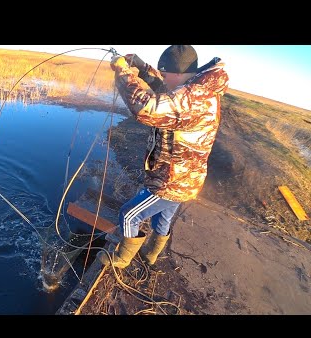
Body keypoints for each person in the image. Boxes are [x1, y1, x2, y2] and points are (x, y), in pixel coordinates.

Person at [97, 45, 229, 269]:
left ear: (177, 73)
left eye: (165, 73)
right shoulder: (195, 88)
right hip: (185, 180)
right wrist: (141, 66)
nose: (164, 79)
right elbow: (165, 90)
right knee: (162, 219)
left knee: (129, 215)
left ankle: (121, 259)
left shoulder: (194, 99)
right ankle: (150, 256)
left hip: (172, 182)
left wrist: (123, 72)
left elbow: (147, 107)